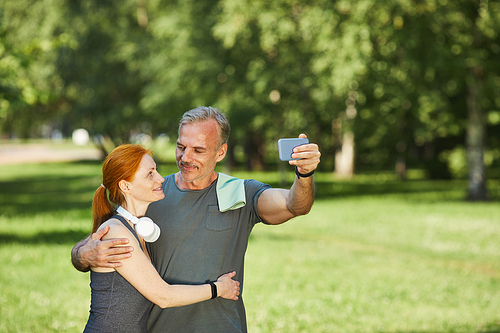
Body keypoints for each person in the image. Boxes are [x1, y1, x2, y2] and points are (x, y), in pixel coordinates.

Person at [72, 106, 321, 332]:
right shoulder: (153, 194)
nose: (186, 157)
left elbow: (295, 205)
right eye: (181, 147)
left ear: (220, 152)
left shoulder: (240, 193)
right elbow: (104, 235)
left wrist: (304, 173)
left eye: (198, 150)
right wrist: (82, 254)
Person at [80, 143, 240, 333]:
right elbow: (164, 296)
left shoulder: (136, 226)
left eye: (156, 171)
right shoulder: (116, 232)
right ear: (125, 185)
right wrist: (218, 289)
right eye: (150, 174)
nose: (160, 178)